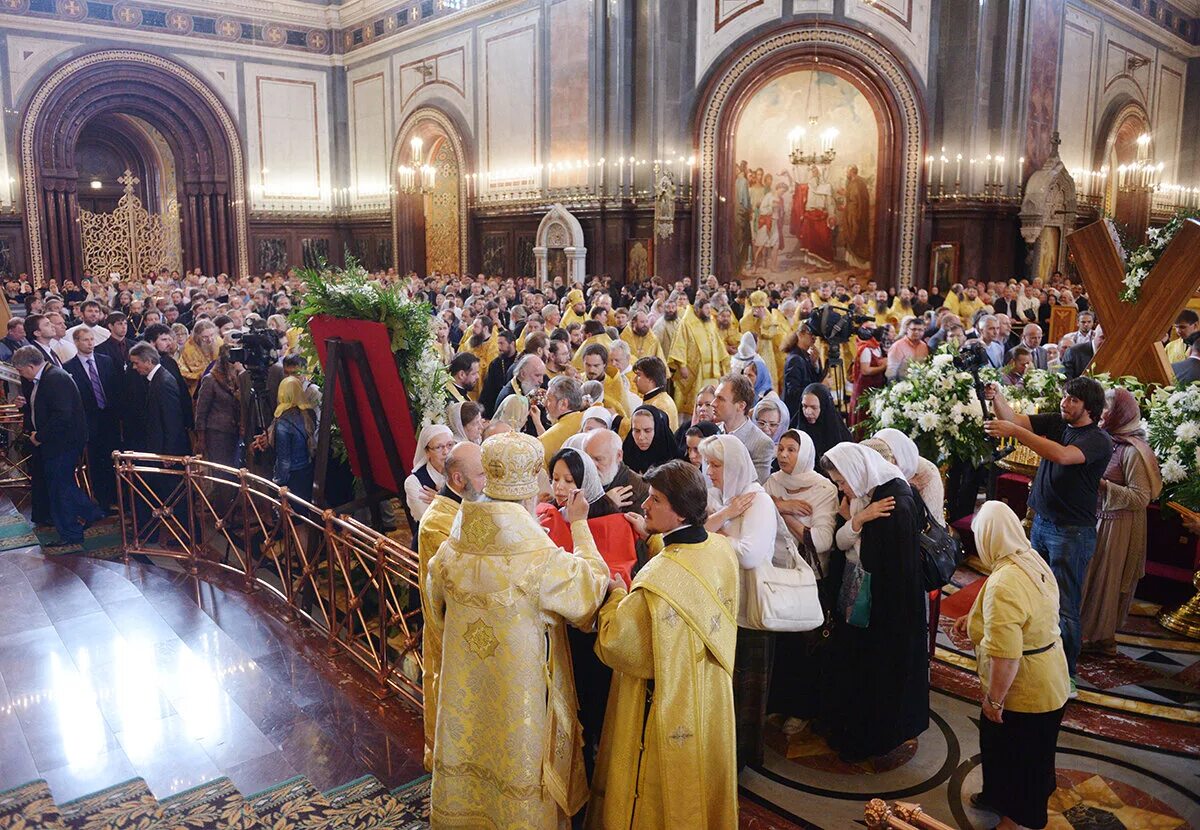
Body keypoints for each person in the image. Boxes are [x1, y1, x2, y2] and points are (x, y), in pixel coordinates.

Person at [425, 431, 609, 828]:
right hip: (520, 696)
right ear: (527, 496)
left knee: (471, 745)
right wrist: (580, 527)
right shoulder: (536, 558)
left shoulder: (451, 548)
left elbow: (434, 608)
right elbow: (590, 592)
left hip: (466, 687)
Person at [587, 460, 738, 829]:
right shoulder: (720, 549)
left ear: (680, 510)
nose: (644, 506)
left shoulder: (657, 578)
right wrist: (654, 538)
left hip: (665, 702)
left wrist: (615, 593)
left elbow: (616, 642)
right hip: (710, 695)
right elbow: (686, 559)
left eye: (655, 500)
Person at [985, 376, 1113, 684]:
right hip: (1042, 522)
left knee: (1064, 604)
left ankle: (1065, 675)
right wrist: (997, 397)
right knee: (1036, 594)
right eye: (1065, 397)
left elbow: (1062, 455)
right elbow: (1014, 419)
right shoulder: (1059, 422)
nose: (1064, 403)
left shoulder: (1097, 439)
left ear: (1090, 408)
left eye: (1073, 400)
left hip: (1070, 531)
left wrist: (1015, 433)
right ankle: (1039, 660)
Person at [953, 501, 1069, 830]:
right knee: (998, 745)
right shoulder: (1027, 558)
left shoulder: (1005, 581)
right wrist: (973, 619)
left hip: (1026, 690)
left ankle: (1015, 819)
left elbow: (1007, 655)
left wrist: (995, 699)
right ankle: (996, 795)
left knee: (1023, 758)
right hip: (1050, 676)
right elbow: (1021, 615)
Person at [821, 442, 929, 761]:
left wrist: (856, 525)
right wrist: (860, 520)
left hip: (886, 610)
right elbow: (845, 543)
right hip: (868, 599)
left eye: (841, 481)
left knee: (876, 677)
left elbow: (873, 556)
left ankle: (868, 740)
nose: (842, 489)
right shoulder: (871, 492)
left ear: (856, 469)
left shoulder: (893, 500)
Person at [698, 434, 795, 768]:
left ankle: (738, 760)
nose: (709, 470)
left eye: (715, 464)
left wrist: (718, 536)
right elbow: (698, 531)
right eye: (707, 463)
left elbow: (751, 555)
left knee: (746, 691)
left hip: (750, 609)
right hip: (723, 603)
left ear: (735, 465)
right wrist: (720, 522)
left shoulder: (759, 500)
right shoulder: (724, 496)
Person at [416, 441, 486, 772]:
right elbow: (461, 578)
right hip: (451, 634)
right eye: (482, 474)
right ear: (458, 479)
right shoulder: (437, 522)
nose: (489, 481)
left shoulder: (469, 505)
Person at [1081, 389, 1162, 654]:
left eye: (1107, 408)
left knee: (1105, 582)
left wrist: (1101, 486)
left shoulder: (1134, 451)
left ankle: (1099, 636)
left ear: (1121, 413)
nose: (1102, 413)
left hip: (1118, 526)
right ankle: (1084, 633)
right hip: (1096, 519)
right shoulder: (1108, 440)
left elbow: (1141, 497)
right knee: (1088, 579)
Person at [11, 346, 105, 547]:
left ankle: (72, 533)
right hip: (57, 441)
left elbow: (62, 415)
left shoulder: (55, 378)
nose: (21, 375)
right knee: (62, 485)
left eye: (21, 371)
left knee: (59, 488)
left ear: (30, 365)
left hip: (62, 442)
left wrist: (40, 436)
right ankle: (91, 513)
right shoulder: (47, 376)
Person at [63, 328, 122, 510]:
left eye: (91, 339)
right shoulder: (68, 367)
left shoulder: (106, 361)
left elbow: (114, 388)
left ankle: (119, 498)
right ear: (76, 342)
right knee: (96, 462)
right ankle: (103, 502)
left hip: (110, 419)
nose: (90, 343)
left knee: (114, 459)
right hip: (89, 421)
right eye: (85, 340)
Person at [668, 298, 729, 418]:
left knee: (712, 399)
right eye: (706, 308)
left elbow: (717, 344)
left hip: (712, 373)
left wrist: (722, 363)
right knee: (694, 403)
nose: (709, 311)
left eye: (709, 308)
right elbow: (680, 345)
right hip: (695, 371)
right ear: (697, 309)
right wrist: (682, 365)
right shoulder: (686, 323)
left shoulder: (710, 322)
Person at [875, 427, 946, 526]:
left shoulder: (927, 472)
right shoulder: (880, 466)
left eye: (888, 454)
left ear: (899, 452)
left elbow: (930, 517)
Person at [713, 373, 773, 483]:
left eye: (720, 399)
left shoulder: (762, 443)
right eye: (715, 397)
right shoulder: (712, 432)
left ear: (741, 406)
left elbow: (756, 487)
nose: (713, 403)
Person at [194, 346, 244, 468]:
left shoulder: (239, 377)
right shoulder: (210, 380)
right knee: (222, 471)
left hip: (235, 431)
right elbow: (201, 411)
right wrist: (201, 438)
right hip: (217, 434)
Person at [268, 376, 317, 500]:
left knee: (293, 515)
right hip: (307, 470)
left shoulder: (283, 421)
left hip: (292, 476)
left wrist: (277, 481)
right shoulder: (310, 414)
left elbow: (284, 460)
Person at [403, 424, 456, 535]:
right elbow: (429, 520)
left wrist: (440, 501)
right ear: (427, 452)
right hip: (429, 539)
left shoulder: (463, 471)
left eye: (450, 445)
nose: (446, 452)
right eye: (438, 447)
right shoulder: (414, 482)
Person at [585, 428, 649, 517]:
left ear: (619, 456)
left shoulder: (640, 489)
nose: (591, 465)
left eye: (598, 459)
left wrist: (606, 505)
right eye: (588, 459)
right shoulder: (580, 479)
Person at [792, 382, 852, 460]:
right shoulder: (795, 433)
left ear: (824, 407)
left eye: (814, 407)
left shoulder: (841, 437)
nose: (808, 412)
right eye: (804, 406)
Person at [622, 405, 678, 474]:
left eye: (647, 431)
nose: (641, 437)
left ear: (657, 430)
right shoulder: (626, 454)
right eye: (636, 431)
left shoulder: (674, 461)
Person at [631, 356, 678, 430]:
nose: (634, 379)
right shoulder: (656, 399)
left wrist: (617, 419)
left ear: (651, 378)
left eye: (638, 375)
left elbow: (646, 431)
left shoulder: (661, 404)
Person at [178, 319, 221, 397]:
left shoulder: (219, 342)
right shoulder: (189, 348)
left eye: (212, 335)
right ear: (197, 337)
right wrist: (200, 375)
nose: (209, 340)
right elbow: (184, 371)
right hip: (198, 387)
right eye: (205, 337)